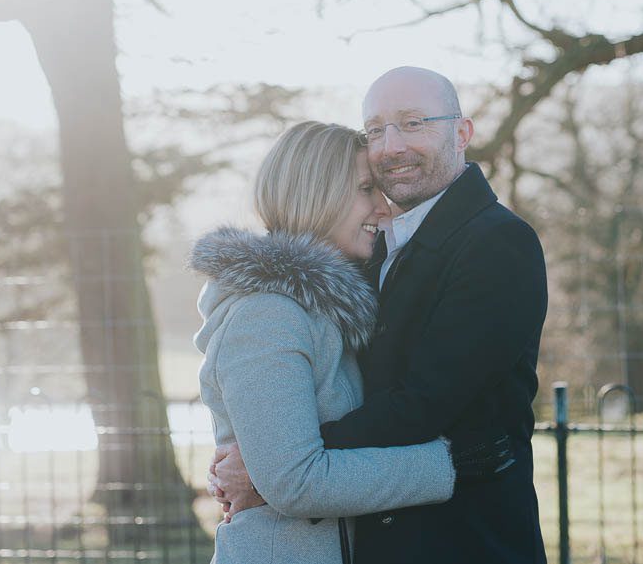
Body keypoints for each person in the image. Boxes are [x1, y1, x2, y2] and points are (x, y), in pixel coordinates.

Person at [211, 67, 550, 564]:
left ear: (462, 133)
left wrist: (270, 469)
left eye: (413, 123)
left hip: (465, 540)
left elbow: (424, 401)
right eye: (376, 130)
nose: (391, 146)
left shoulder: (496, 242)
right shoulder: (336, 279)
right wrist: (277, 466)